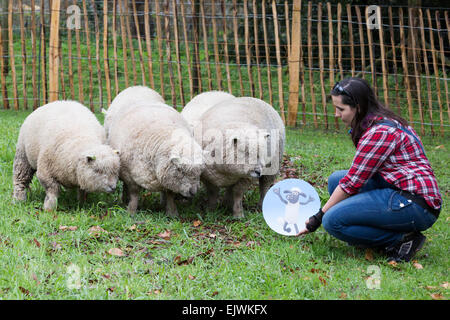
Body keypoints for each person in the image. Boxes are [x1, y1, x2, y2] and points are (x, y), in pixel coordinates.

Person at [297, 77, 442, 263]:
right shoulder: (377, 120)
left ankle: (402, 240)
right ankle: (371, 230)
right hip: (398, 186)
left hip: (416, 203)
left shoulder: (379, 132)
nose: (336, 114)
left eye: (340, 109)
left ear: (357, 107)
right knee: (335, 180)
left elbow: (351, 184)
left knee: (332, 221)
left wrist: (317, 218)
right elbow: (354, 177)